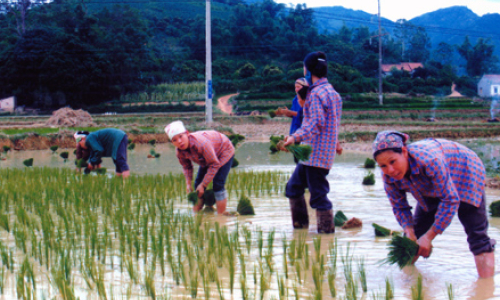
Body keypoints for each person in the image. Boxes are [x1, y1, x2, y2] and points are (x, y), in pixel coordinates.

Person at [372, 130, 495, 278]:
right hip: (431, 183)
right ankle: (408, 284)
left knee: (476, 235)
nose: (390, 170)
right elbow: (399, 207)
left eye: (393, 161)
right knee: (415, 236)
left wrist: (429, 237)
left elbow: (450, 200)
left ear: (404, 152)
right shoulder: (388, 176)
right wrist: (409, 232)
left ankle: (486, 287)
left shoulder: (430, 161)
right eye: (383, 165)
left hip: (465, 171)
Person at [283, 51, 343, 233]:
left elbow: (316, 123)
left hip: (315, 155)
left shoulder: (316, 94)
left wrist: (295, 137)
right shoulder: (333, 92)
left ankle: (326, 235)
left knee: (318, 196)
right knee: (293, 188)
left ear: (309, 71)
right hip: (314, 155)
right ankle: (300, 230)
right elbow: (331, 124)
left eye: (304, 68)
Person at [165, 120, 234, 215]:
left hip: (224, 150)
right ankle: (197, 213)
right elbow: (187, 167)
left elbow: (214, 164)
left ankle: (221, 216)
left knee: (218, 184)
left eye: (181, 136)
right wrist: (188, 184)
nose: (179, 141)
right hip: (207, 157)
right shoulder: (179, 152)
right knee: (197, 184)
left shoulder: (202, 144)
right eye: (174, 140)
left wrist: (204, 184)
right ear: (172, 142)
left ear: (187, 133)